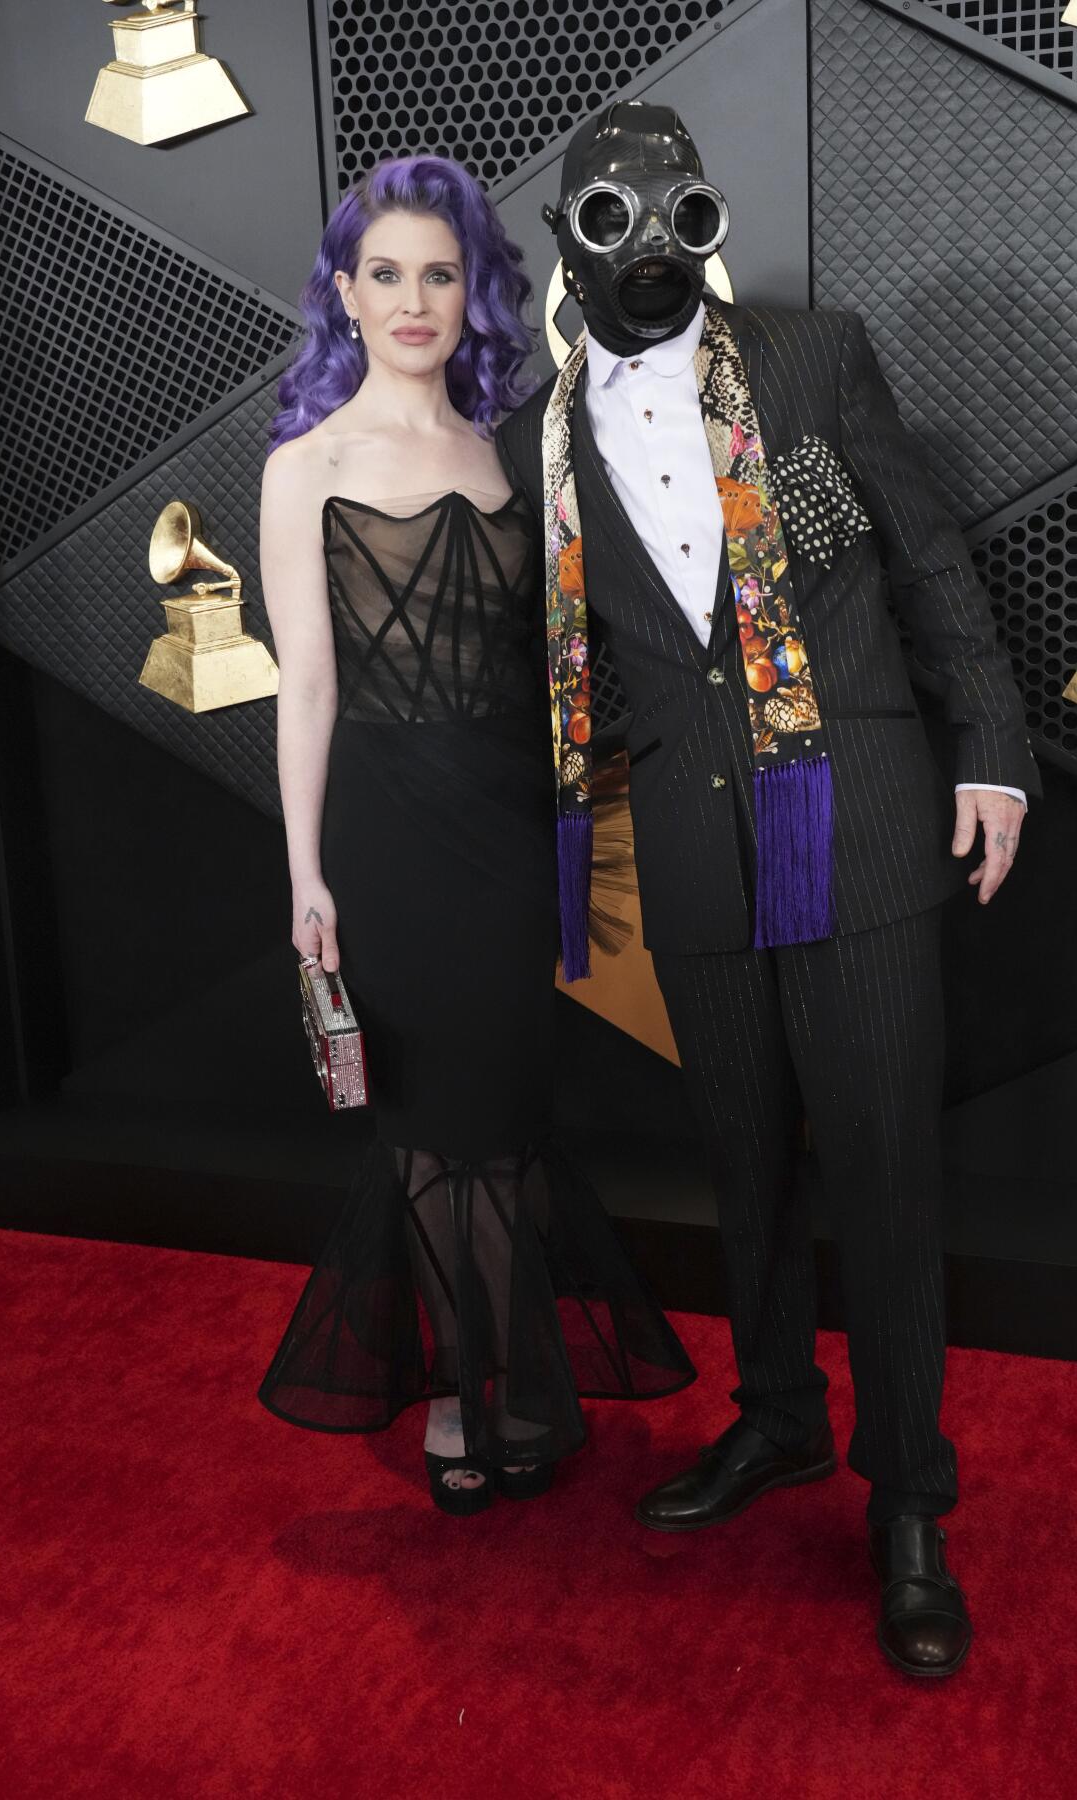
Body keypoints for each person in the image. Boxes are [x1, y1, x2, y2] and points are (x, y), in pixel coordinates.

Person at [495, 101, 1040, 1673]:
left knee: (879, 1169)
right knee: (745, 1165)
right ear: (573, 240)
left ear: (706, 226)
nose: (649, 245)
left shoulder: (808, 359)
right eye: (613, 217)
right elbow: (576, 661)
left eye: (676, 213)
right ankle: (782, 1421)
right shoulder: (545, 431)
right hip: (689, 842)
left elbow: (928, 555)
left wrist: (991, 750)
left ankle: (910, 1508)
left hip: (857, 821)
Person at [255, 153, 694, 1517]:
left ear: (475, 294)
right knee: (432, 1133)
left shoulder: (517, 450)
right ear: (344, 292)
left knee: (501, 1126)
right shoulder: (301, 466)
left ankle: (494, 1376)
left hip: (513, 831)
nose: (412, 299)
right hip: (388, 839)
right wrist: (306, 876)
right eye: (384, 273)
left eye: (438, 273)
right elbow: (309, 685)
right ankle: (468, 1389)